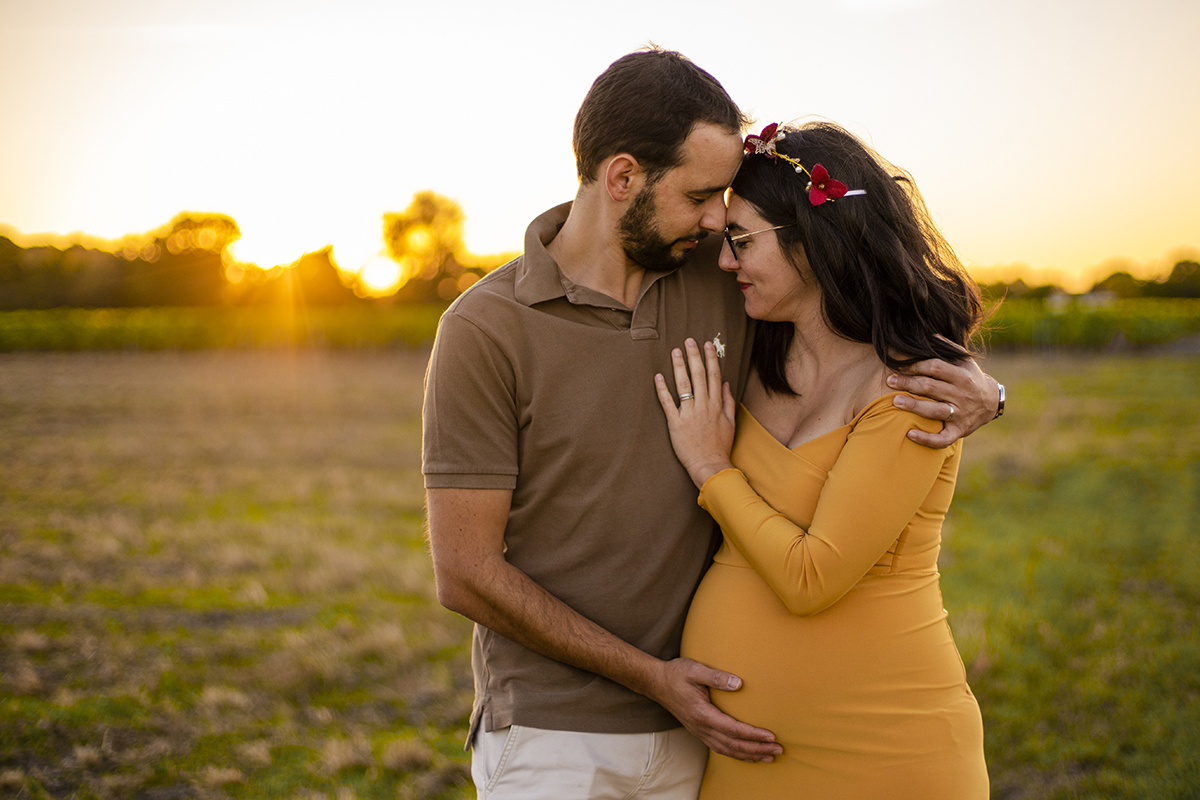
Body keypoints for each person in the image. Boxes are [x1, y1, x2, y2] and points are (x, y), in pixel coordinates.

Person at [422, 50, 1002, 800]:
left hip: (708, 739)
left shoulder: (727, 283)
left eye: (725, 204)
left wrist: (985, 391)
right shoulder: (485, 329)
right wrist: (654, 679)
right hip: (555, 735)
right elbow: (464, 572)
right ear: (623, 177)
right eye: (700, 195)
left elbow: (852, 313)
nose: (717, 220)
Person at [654, 121, 993, 798]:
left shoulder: (911, 386)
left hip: (884, 750)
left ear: (810, 244)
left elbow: (812, 577)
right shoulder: (750, 352)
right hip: (741, 760)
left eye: (743, 242)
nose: (726, 261)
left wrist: (710, 469)